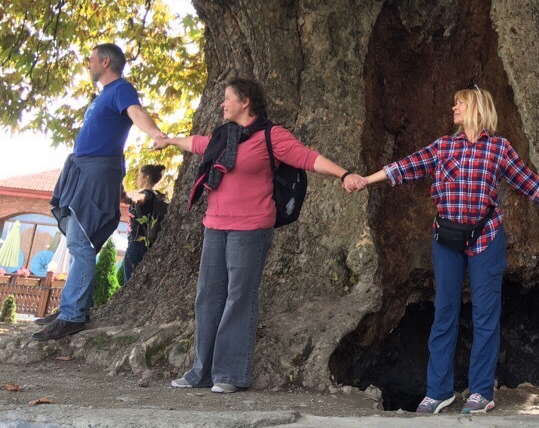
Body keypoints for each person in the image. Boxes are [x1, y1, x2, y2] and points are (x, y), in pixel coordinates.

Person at [349, 86, 539, 414]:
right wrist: (365, 181)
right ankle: (438, 391)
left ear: (477, 108)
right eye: (454, 102)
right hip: (447, 241)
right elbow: (404, 167)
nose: (453, 107)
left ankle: (482, 391)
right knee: (444, 313)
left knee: (486, 315)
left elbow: (529, 182)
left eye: (460, 102)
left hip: (486, 238)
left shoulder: (498, 148)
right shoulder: (444, 146)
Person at [156, 77, 363, 394]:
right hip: (215, 226)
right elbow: (197, 143)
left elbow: (308, 157)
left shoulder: (271, 136)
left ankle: (230, 374)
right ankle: (202, 371)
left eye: (227, 98)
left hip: (251, 229)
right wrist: (169, 140)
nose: (222, 104)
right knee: (208, 296)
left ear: (245, 101)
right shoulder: (223, 137)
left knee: (239, 297)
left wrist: (345, 174)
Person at [33, 43, 167, 341]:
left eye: (91, 59)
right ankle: (73, 305)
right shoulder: (101, 97)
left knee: (81, 242)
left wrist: (157, 133)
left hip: (95, 171)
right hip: (84, 170)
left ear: (106, 61)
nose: (88, 63)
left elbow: (136, 113)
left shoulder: (121, 89)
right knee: (78, 241)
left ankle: (72, 315)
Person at [122, 164, 169, 282]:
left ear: (146, 178)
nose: (137, 179)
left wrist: (129, 200)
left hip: (137, 244)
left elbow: (140, 199)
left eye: (139, 176)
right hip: (148, 244)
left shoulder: (146, 194)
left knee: (130, 282)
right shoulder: (157, 196)